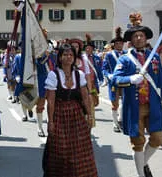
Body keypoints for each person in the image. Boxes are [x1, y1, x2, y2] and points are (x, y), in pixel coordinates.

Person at [112, 12, 162, 177]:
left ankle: (143, 163)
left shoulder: (153, 59)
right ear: (131, 40)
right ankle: (141, 173)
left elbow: (161, 82)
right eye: (135, 36)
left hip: (153, 105)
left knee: (157, 139)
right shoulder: (125, 59)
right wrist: (131, 79)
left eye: (141, 35)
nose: (139, 38)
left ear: (146, 39)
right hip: (134, 106)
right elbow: (115, 80)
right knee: (137, 142)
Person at [43, 43, 98, 177]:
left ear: (74, 57)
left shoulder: (79, 74)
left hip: (76, 115)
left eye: (71, 55)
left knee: (80, 149)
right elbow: (50, 101)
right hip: (60, 114)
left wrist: (90, 116)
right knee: (60, 150)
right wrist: (50, 122)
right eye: (65, 54)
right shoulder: (53, 75)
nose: (68, 57)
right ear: (60, 57)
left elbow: (85, 98)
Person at [102, 27, 126, 133]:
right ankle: (115, 123)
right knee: (114, 103)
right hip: (114, 82)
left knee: (125, 102)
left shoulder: (127, 54)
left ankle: (121, 120)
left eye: (121, 43)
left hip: (125, 81)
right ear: (114, 45)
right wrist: (109, 75)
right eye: (117, 43)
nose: (119, 45)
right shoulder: (109, 55)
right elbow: (104, 68)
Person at [82, 33, 104, 128]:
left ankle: (89, 117)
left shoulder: (97, 58)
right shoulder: (81, 58)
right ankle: (86, 119)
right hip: (83, 84)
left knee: (94, 102)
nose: (88, 49)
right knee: (85, 102)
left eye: (90, 48)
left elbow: (99, 70)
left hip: (93, 84)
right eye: (87, 48)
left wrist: (101, 79)